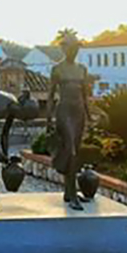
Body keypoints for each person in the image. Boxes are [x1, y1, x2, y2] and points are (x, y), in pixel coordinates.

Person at [46, 32, 91, 210]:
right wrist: (48, 119)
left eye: (76, 48)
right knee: (70, 150)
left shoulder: (82, 69)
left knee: (75, 152)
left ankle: (68, 191)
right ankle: (73, 195)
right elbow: (50, 96)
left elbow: (85, 95)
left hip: (79, 112)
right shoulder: (57, 69)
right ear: (64, 49)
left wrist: (89, 116)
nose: (73, 51)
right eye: (70, 48)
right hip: (64, 111)